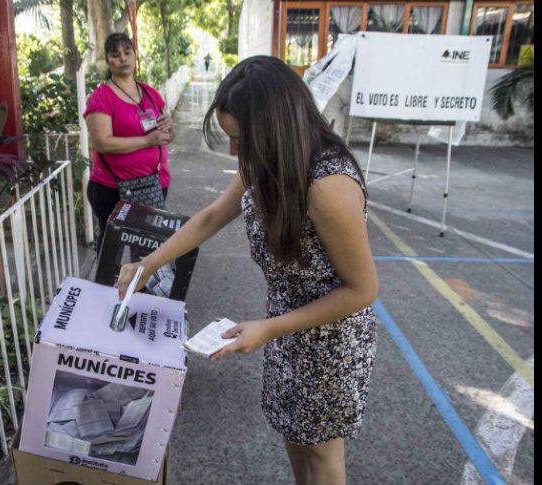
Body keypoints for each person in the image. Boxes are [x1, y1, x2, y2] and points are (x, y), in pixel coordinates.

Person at [116, 55, 378, 485]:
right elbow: (211, 216)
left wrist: (270, 329)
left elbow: (362, 290)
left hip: (330, 343)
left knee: (322, 457)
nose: (236, 152)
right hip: (284, 328)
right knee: (296, 440)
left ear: (275, 126)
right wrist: (148, 264)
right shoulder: (267, 161)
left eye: (241, 138)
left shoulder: (328, 185)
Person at [84, 33, 174, 248]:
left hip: (153, 185)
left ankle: (141, 283)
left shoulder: (150, 92)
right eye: (115, 55)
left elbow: (166, 137)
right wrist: (147, 141)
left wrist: (169, 129)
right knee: (110, 253)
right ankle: (109, 284)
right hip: (113, 189)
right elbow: (102, 143)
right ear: (107, 60)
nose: (123, 59)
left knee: (147, 250)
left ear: (135, 56)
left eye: (127, 52)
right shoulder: (102, 96)